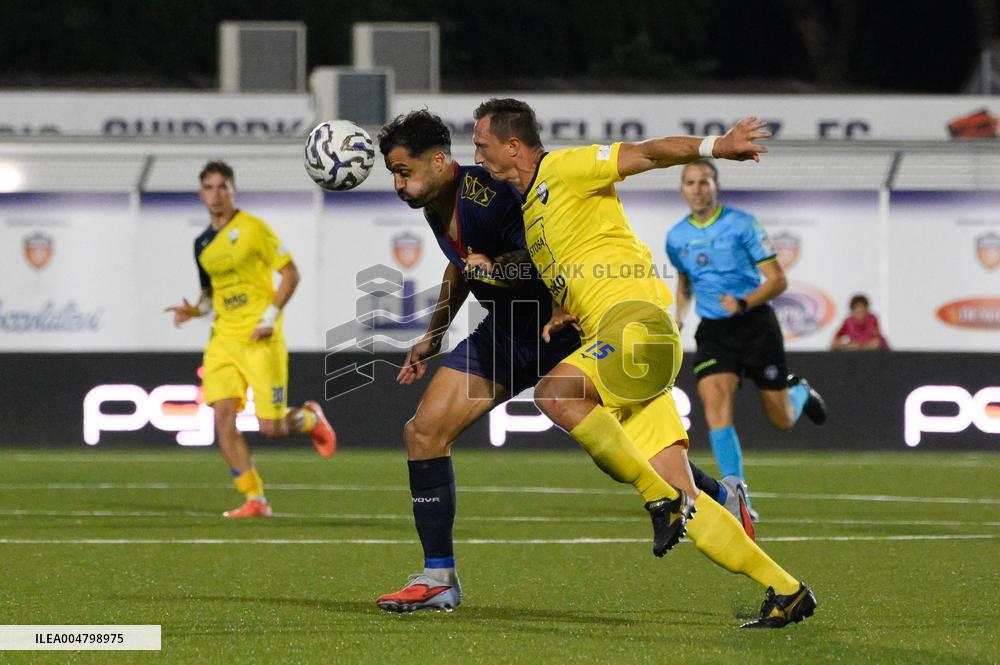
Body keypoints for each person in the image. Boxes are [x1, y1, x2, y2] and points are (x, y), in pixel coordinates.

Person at [372, 111, 738, 613]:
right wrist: (433, 335)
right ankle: (439, 577)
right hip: (503, 333)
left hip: (556, 326)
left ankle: (718, 493)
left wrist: (500, 267)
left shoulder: (490, 189)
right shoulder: (433, 202)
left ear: (438, 160)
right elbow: (460, 266)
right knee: (424, 432)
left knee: (634, 456)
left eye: (403, 170)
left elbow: (542, 250)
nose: (398, 183)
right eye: (392, 173)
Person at [472, 98, 816, 628]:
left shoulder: (565, 167)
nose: (477, 153)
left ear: (513, 146)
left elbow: (649, 153)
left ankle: (660, 502)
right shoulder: (534, 214)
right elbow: (578, 264)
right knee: (689, 495)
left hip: (641, 329)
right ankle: (787, 590)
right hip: (626, 347)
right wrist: (565, 307)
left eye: (482, 144)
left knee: (556, 394)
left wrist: (715, 147)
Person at [166, 161, 335, 519]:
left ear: (233, 190)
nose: (216, 193)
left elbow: (290, 274)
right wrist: (194, 312)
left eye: (222, 186)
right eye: (209, 187)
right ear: (201, 195)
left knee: (270, 428)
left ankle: (309, 419)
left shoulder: (254, 229)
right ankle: (254, 498)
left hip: (260, 338)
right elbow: (210, 295)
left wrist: (269, 318)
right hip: (223, 340)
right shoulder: (202, 244)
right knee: (223, 420)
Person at [665, 159, 828, 522]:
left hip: (755, 325)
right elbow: (685, 280)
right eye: (690, 183)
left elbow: (778, 280)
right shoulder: (676, 237)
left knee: (781, 419)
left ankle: (798, 391)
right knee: (715, 404)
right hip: (714, 331)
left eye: (704, 182)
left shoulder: (742, 224)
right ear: (682, 189)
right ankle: (737, 496)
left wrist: (743, 302)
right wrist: (678, 315)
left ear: (715, 187)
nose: (697, 189)